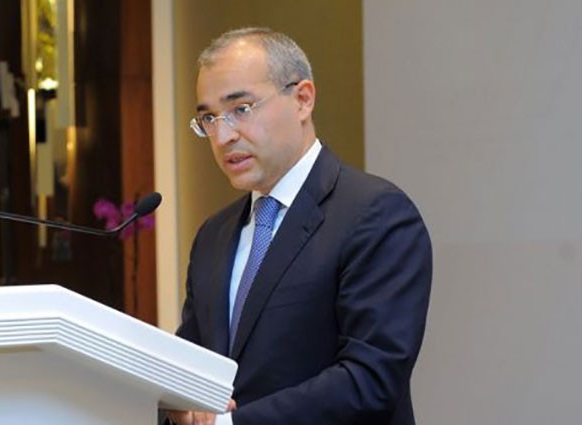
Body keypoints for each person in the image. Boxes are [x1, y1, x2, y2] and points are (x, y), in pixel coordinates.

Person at [165, 27, 432, 425]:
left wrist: (231, 424)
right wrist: (180, 405)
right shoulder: (213, 236)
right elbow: (193, 364)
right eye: (209, 118)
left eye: (241, 109)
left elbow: (370, 380)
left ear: (303, 99)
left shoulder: (376, 215)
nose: (223, 136)